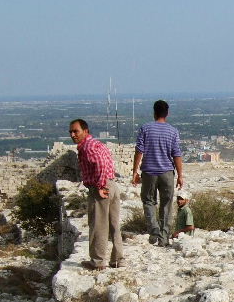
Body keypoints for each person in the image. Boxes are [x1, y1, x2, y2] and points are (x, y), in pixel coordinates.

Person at [69, 118, 123, 270]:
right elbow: (108, 162)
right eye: (71, 132)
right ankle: (118, 259)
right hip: (112, 185)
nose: (73, 135)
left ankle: (98, 261)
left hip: (101, 187)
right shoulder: (97, 143)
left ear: (85, 131)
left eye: (76, 131)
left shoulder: (87, 146)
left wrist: (100, 185)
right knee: (114, 224)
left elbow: (100, 163)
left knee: (98, 225)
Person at [132, 99, 183, 246]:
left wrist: (135, 171)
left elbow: (139, 150)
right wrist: (180, 175)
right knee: (166, 204)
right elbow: (176, 154)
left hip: (149, 171)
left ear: (154, 112)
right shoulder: (172, 131)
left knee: (149, 201)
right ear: (167, 114)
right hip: (167, 172)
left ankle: (154, 229)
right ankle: (164, 238)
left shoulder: (145, 128)